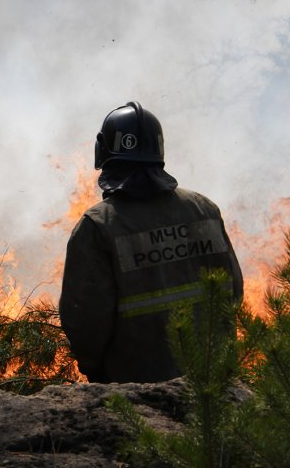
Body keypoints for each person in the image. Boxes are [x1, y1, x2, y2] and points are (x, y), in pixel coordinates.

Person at [59, 101, 244, 383]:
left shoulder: (98, 227)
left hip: (137, 397)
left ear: (104, 154)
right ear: (159, 152)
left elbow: (86, 322)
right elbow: (234, 292)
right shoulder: (203, 209)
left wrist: (95, 370)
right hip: (214, 390)